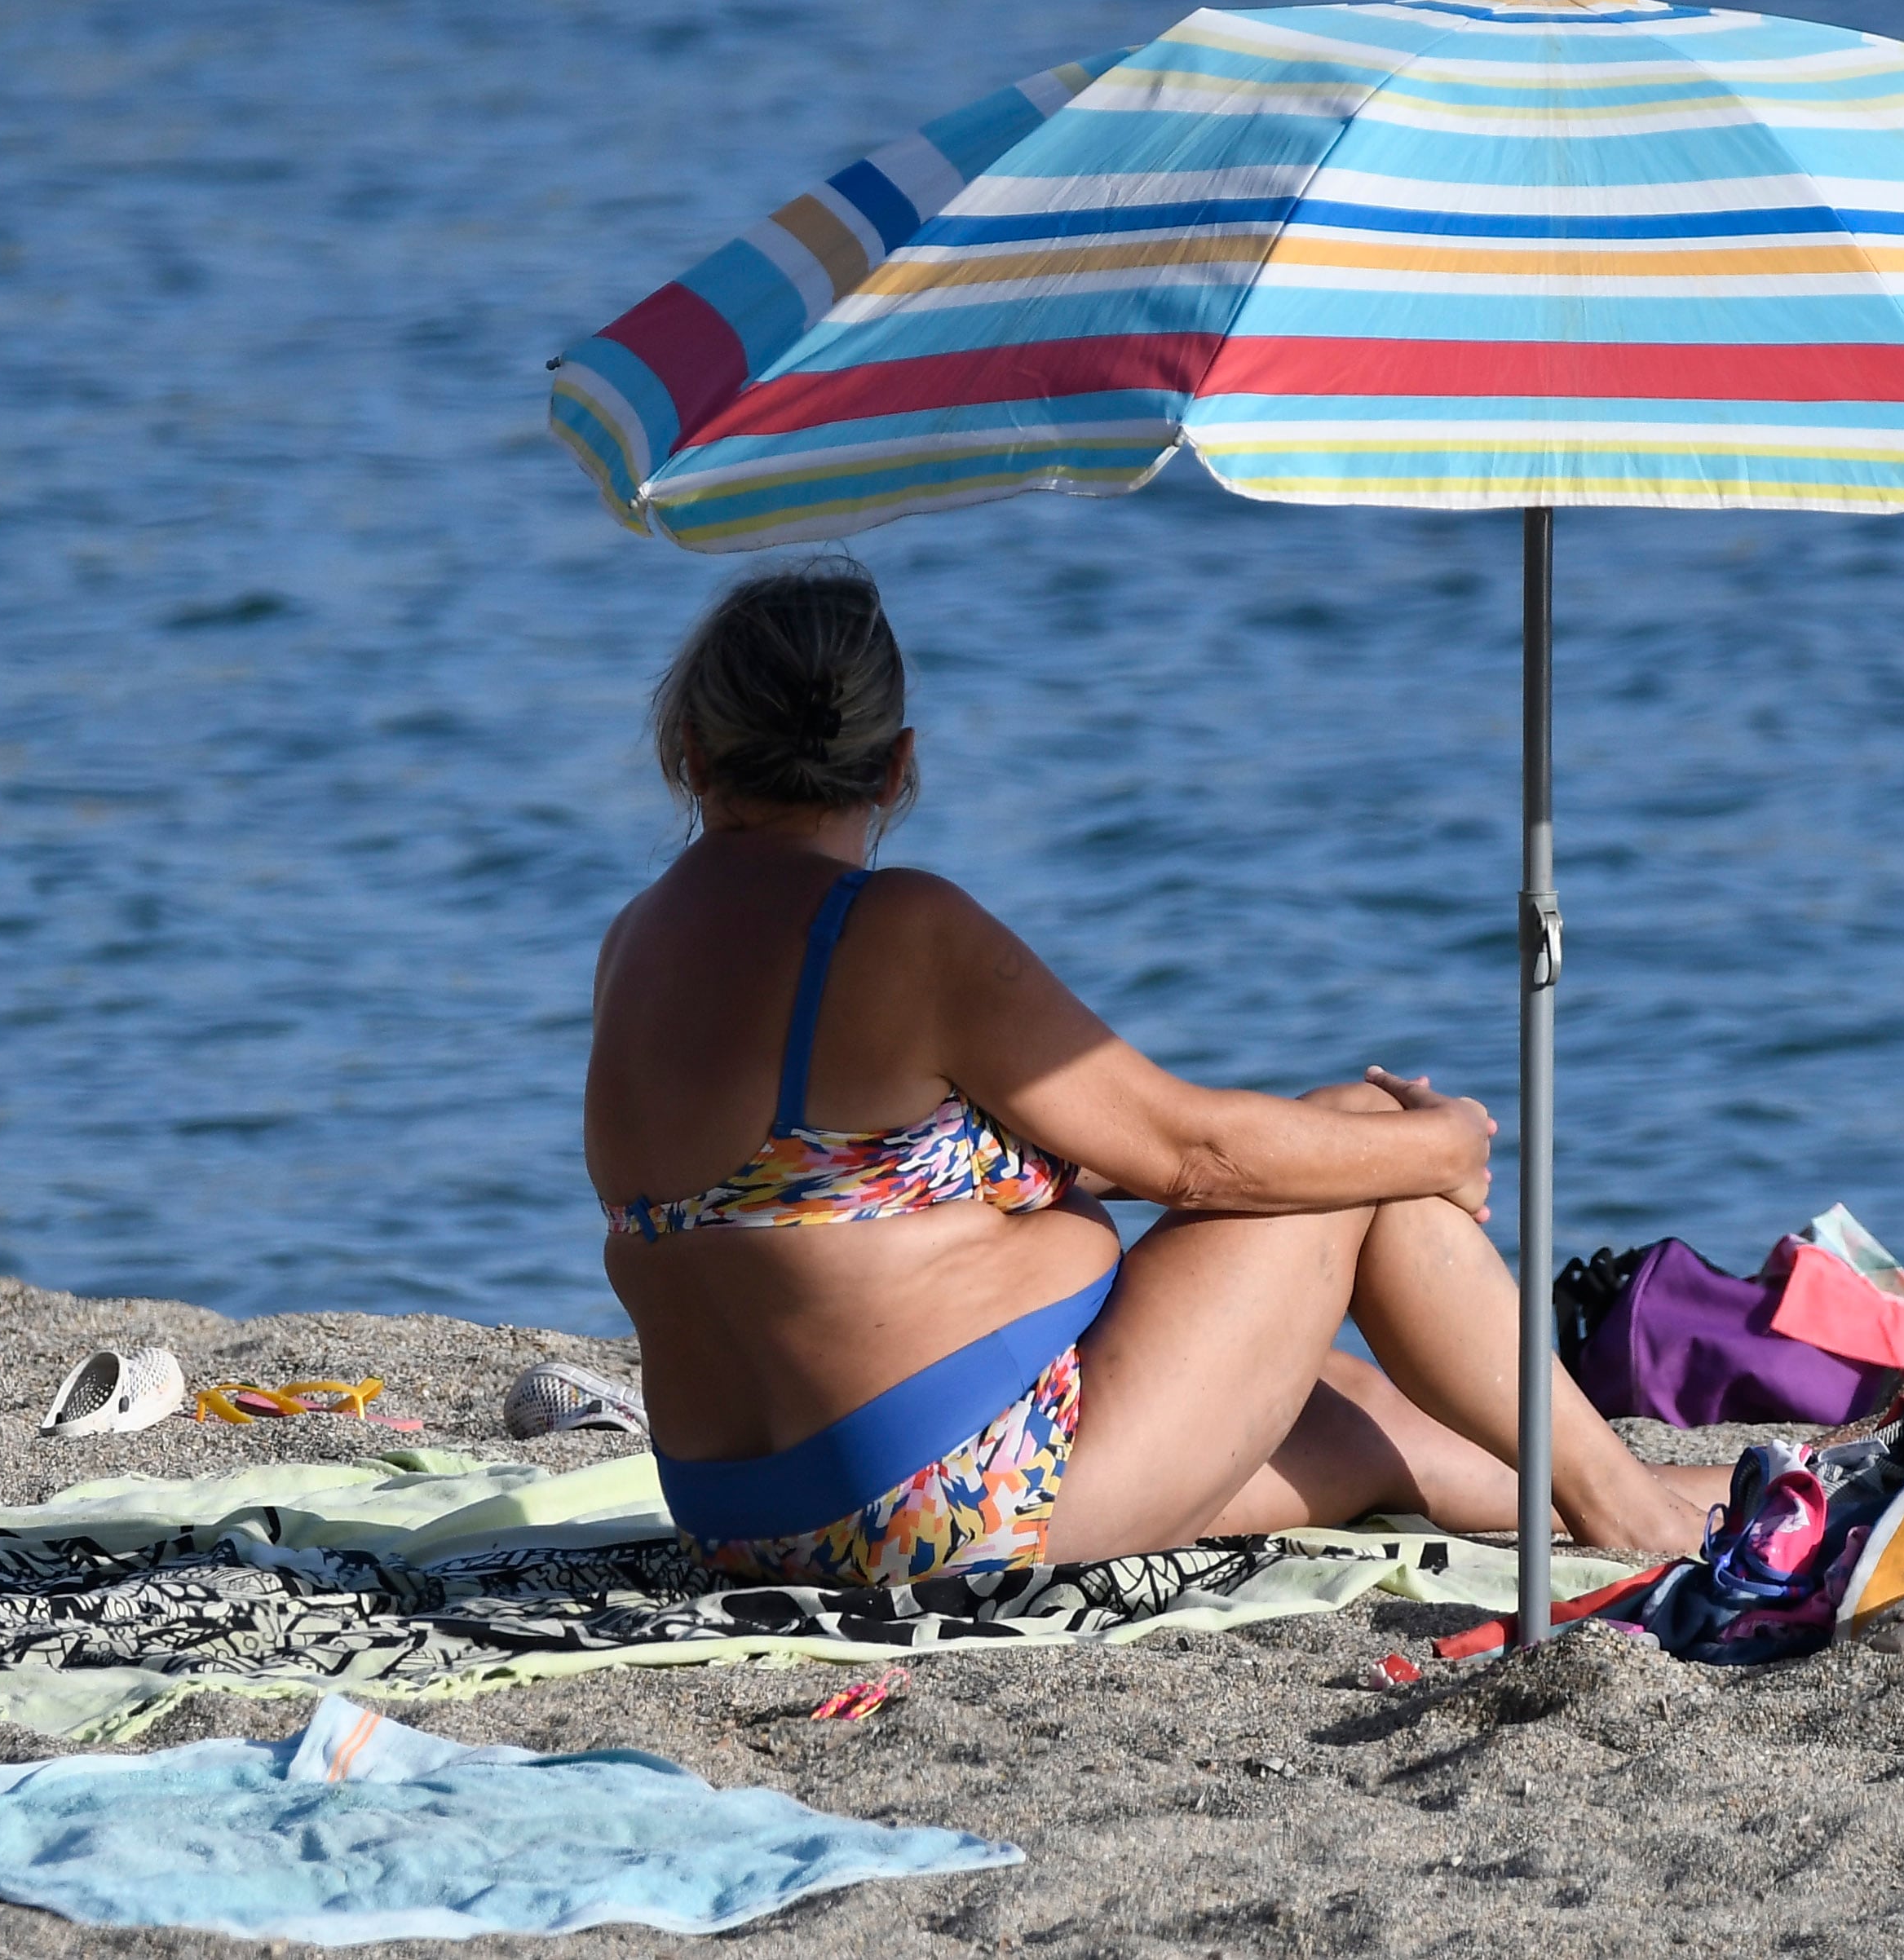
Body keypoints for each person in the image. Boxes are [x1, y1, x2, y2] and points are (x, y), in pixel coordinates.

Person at [586, 559, 1729, 1587]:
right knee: (1355, 1139)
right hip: (934, 1505)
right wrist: (1439, 1144)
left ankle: (1739, 1489)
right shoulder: (894, 931)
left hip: (743, 1520)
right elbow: (1197, 1154)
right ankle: (1631, 1508)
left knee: (1357, 1413)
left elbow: (845, 1193)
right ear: (897, 767)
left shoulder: (636, 945)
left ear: (690, 749)